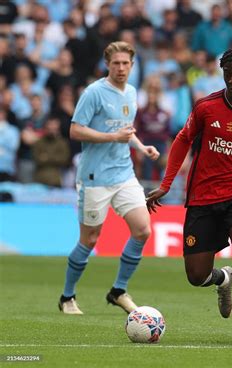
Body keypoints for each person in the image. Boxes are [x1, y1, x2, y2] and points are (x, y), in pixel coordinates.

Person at [146, 46, 232, 344]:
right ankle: (223, 279)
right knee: (196, 276)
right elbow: (183, 139)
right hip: (203, 196)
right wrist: (166, 184)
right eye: (227, 75)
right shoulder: (206, 107)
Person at [58, 41, 160, 315]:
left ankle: (118, 290)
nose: (121, 68)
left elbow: (125, 130)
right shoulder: (93, 93)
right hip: (94, 177)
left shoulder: (132, 93)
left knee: (142, 229)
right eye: (116, 63)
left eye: (126, 63)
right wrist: (112, 137)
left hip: (124, 173)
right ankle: (67, 297)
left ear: (132, 64)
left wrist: (140, 146)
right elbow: (76, 131)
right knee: (89, 240)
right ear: (107, 64)